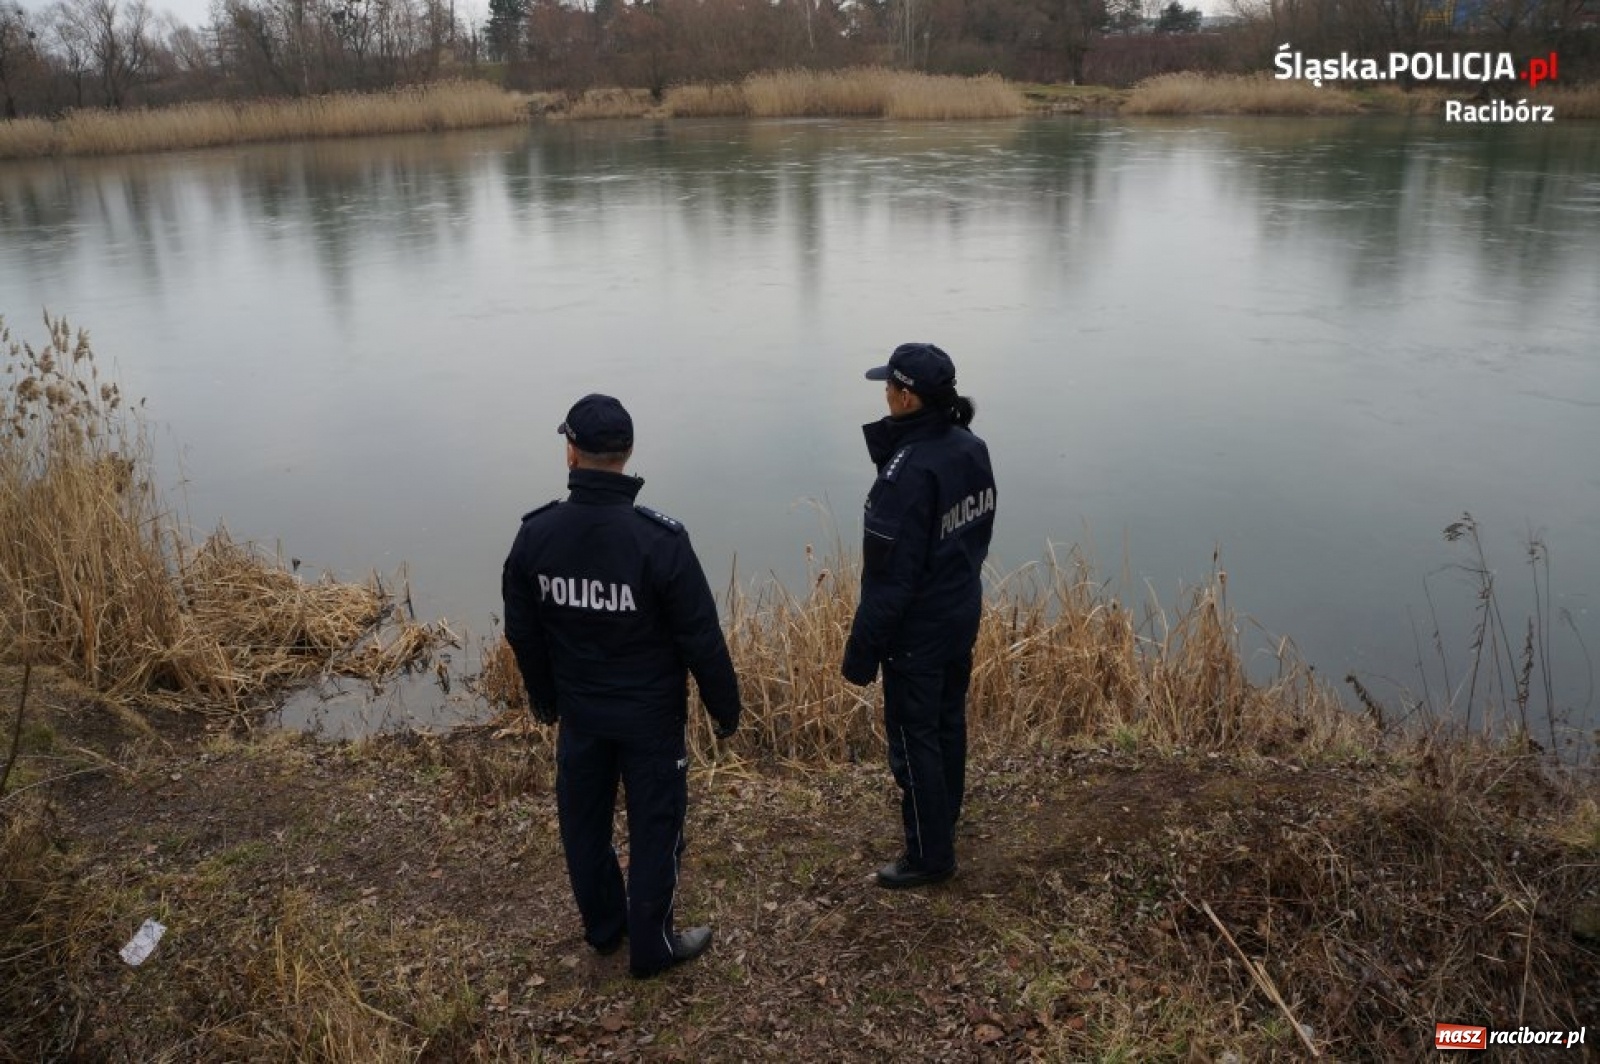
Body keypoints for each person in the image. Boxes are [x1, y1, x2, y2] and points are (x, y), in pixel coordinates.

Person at [502, 393, 741, 979]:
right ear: (628, 453)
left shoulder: (536, 536)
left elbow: (523, 631)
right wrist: (724, 706)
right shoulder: (659, 540)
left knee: (584, 825)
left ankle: (606, 930)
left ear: (571, 453)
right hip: (650, 719)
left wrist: (545, 698)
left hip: (582, 714)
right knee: (656, 827)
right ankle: (651, 947)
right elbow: (700, 637)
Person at [841, 343, 997, 889]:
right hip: (960, 611)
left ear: (907, 398)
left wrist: (860, 655)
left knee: (914, 739)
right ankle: (942, 821)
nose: (884, 394)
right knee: (947, 721)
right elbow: (977, 533)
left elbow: (890, 579)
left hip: (918, 631)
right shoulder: (970, 448)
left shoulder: (906, 475)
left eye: (888, 386)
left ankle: (930, 855)